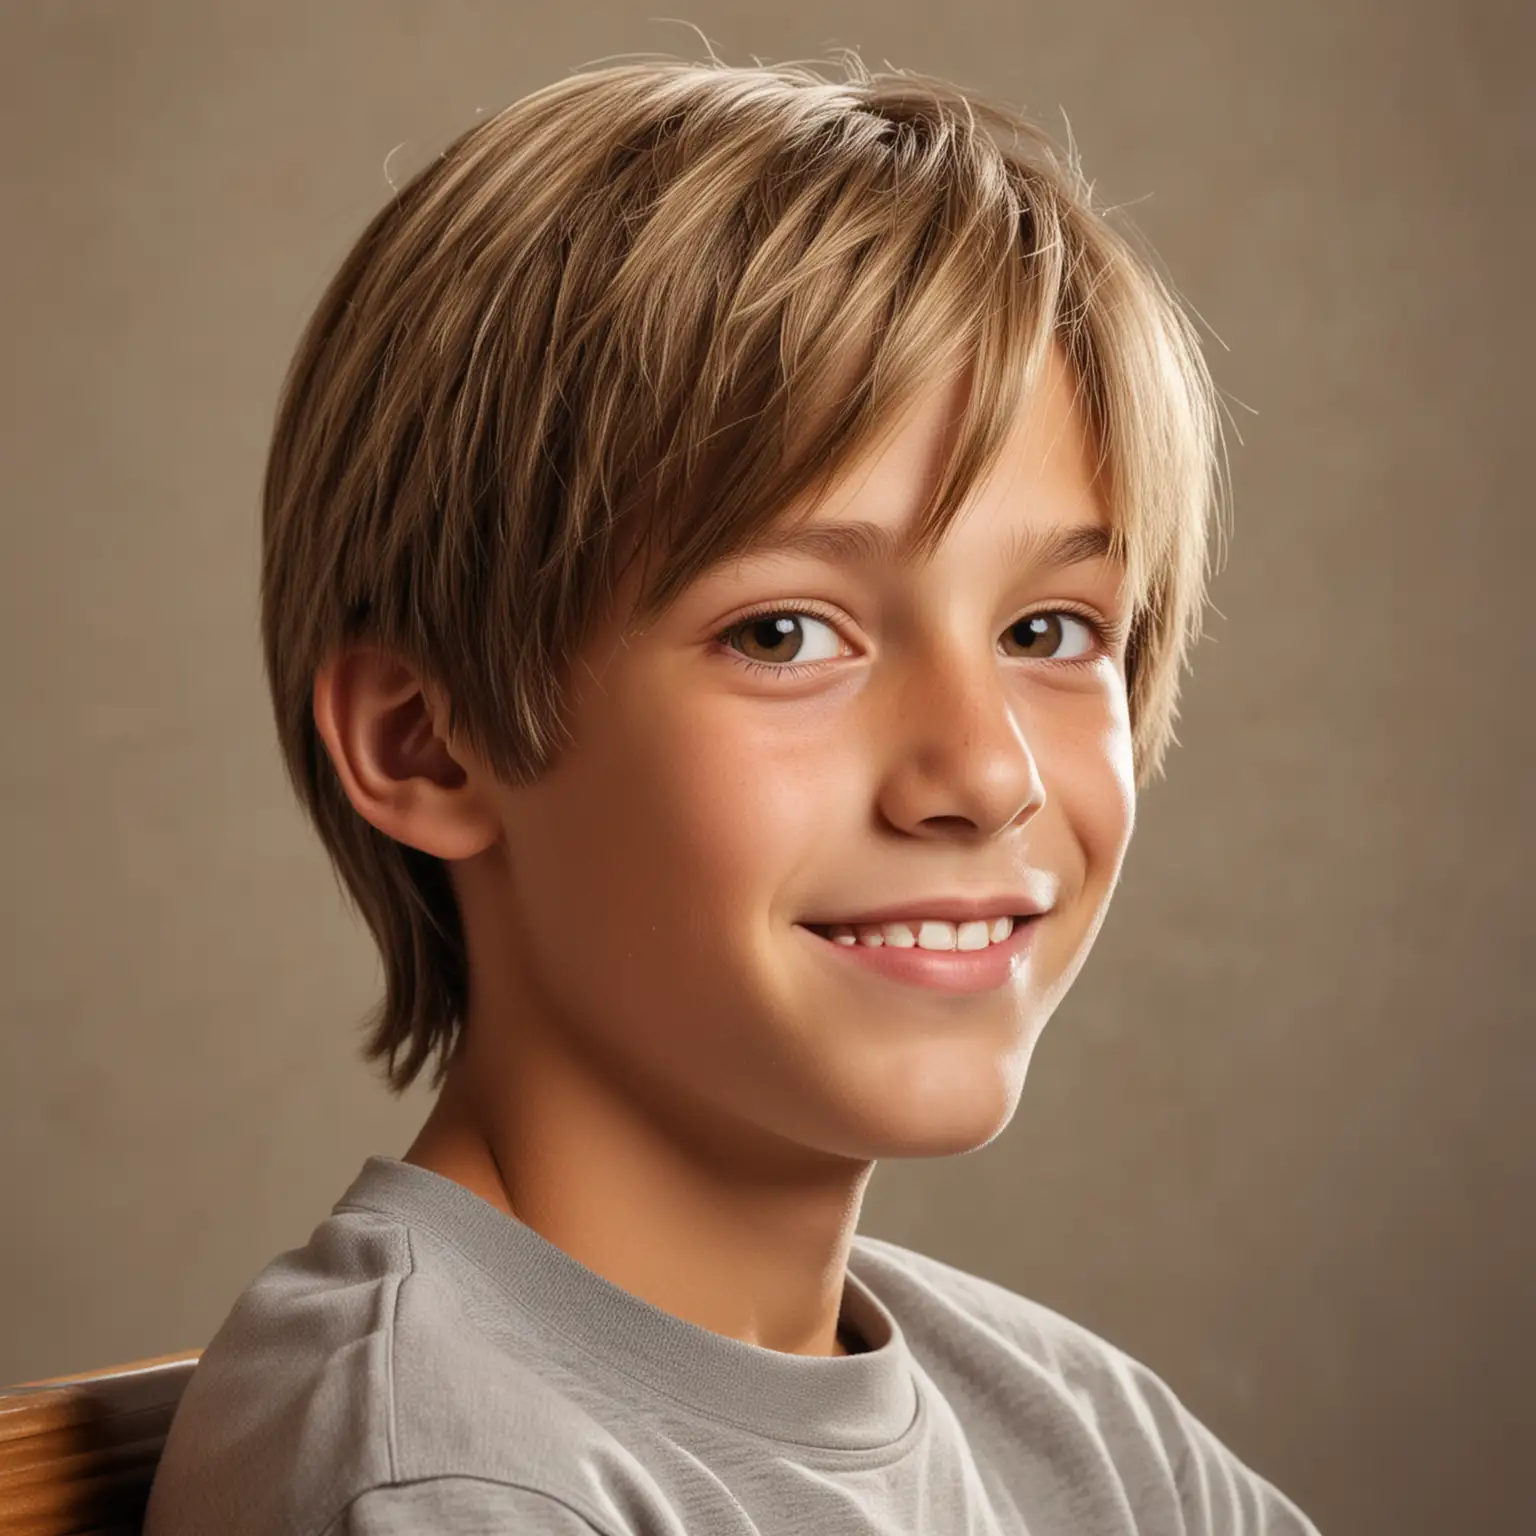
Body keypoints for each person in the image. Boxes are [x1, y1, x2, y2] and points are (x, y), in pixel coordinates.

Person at [144, 52, 1323, 1536]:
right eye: (784, 634)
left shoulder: (1089, 1443)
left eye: (1049, 632)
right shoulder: (446, 1482)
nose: (984, 771)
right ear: (426, 746)